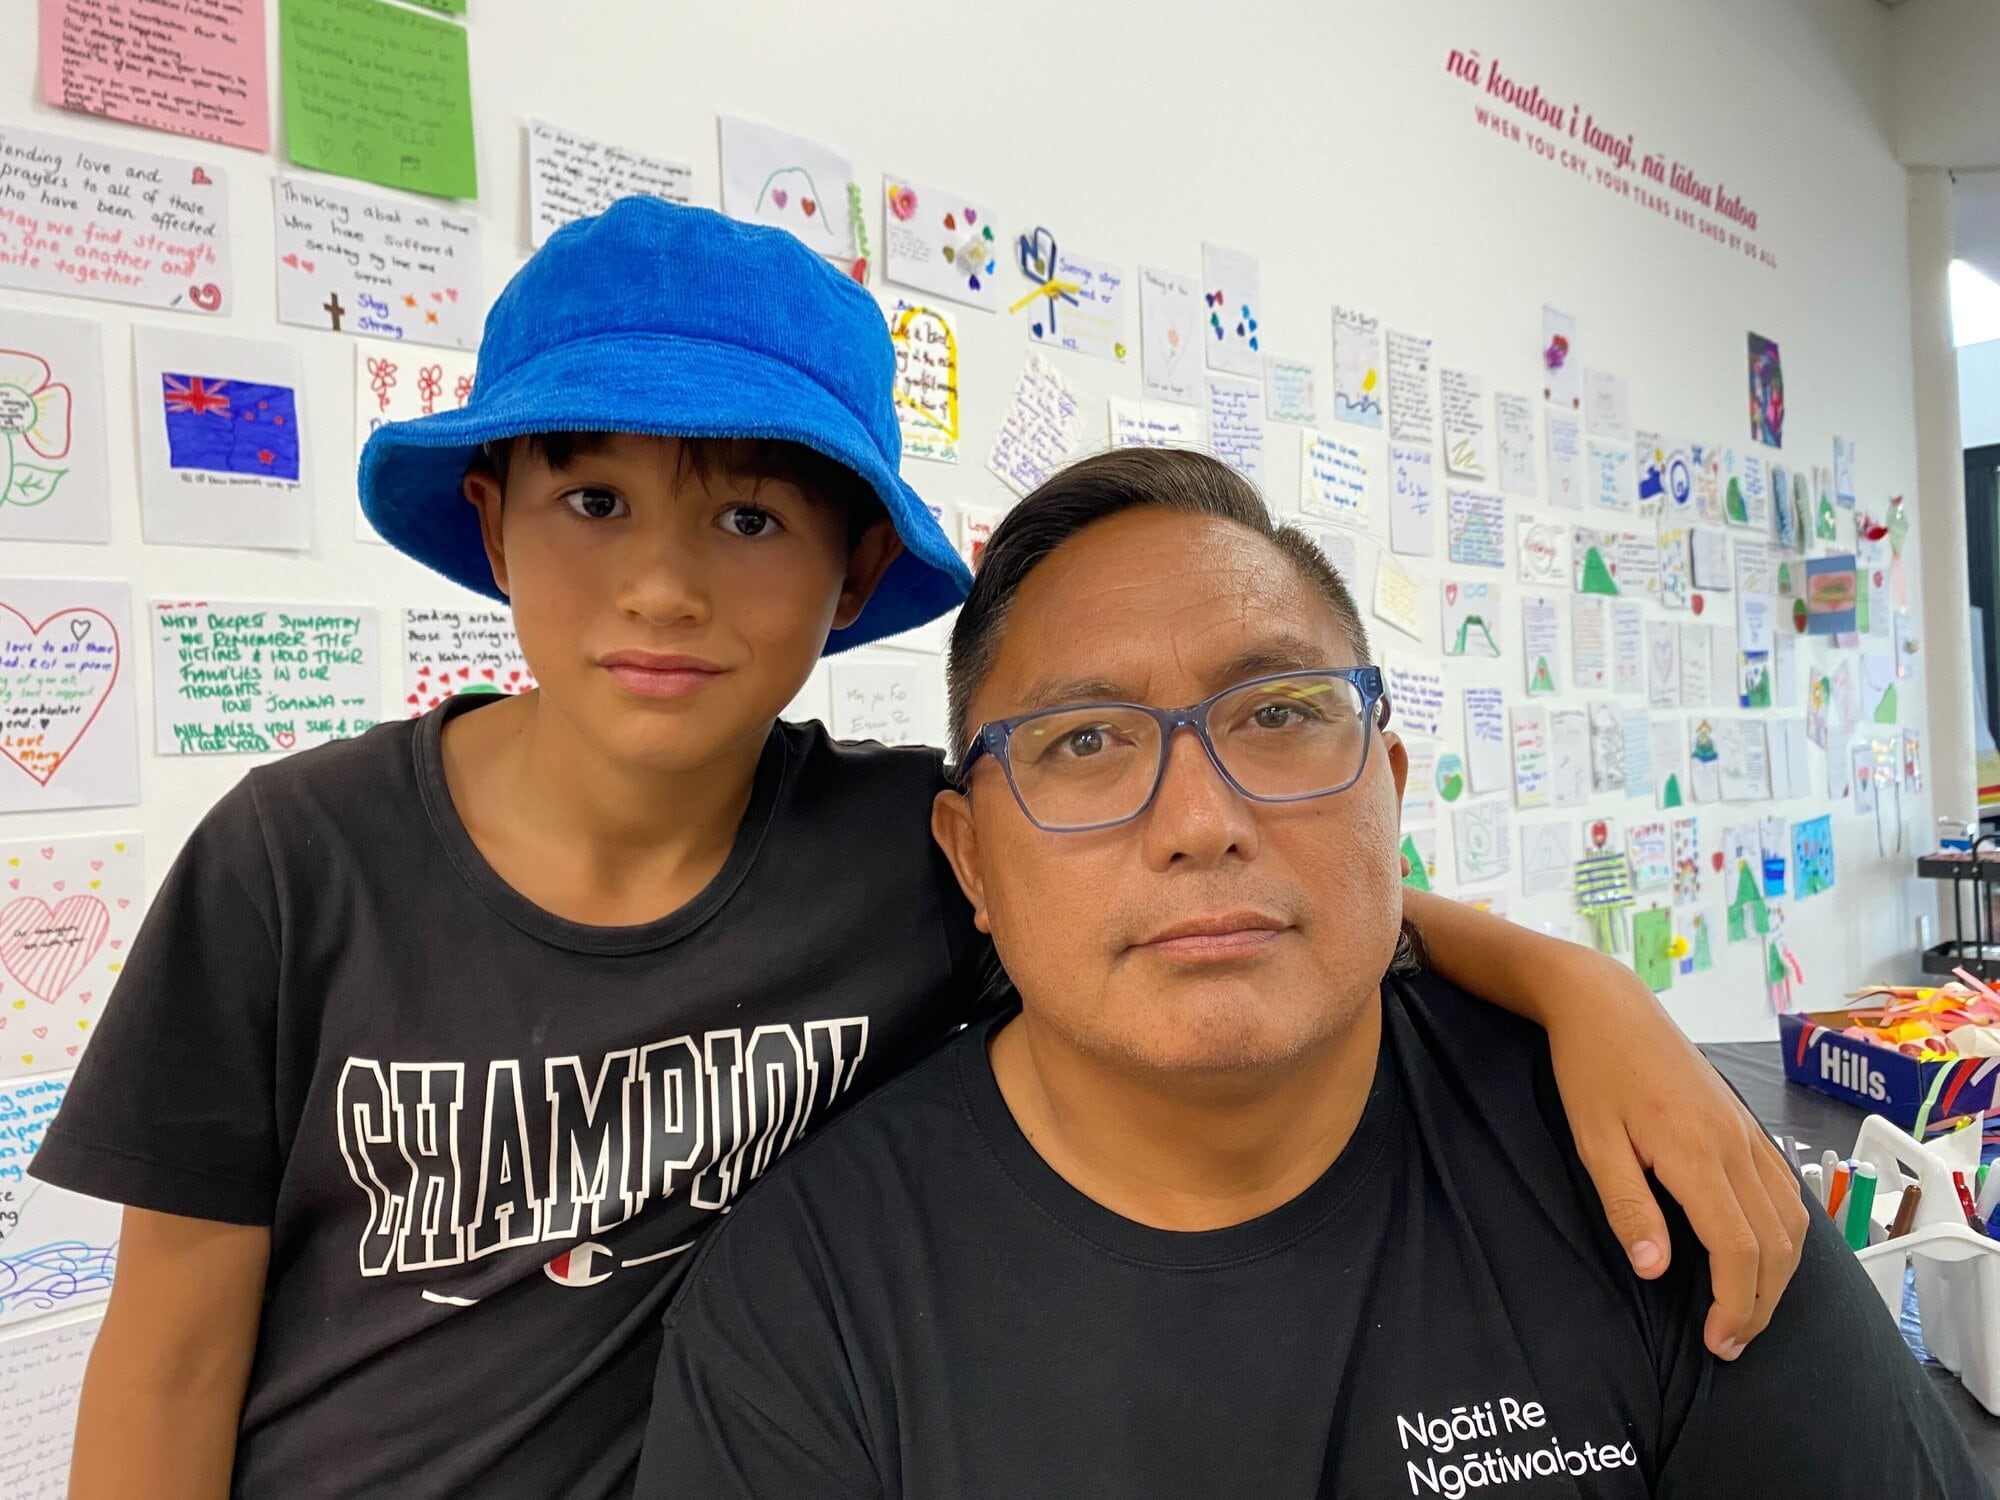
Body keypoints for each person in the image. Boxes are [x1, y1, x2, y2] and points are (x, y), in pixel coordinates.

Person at [37, 203, 1801, 1499]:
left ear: (853, 576)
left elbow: (1252, 884)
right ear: (490, 522)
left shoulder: (908, 850)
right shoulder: (290, 866)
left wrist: (1573, 985)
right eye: (591, 501)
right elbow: (173, 1350)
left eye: (745, 514)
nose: (662, 581)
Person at [637, 447, 1986, 1499]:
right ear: (971, 859)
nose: (1199, 818)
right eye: (1086, 742)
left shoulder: (1649, 1177)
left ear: (1387, 791)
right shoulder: (811, 1303)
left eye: (1276, 717)